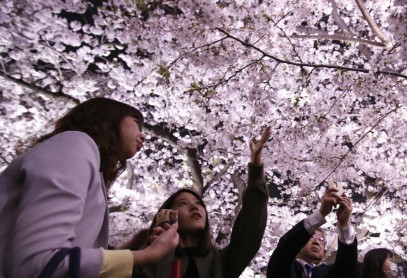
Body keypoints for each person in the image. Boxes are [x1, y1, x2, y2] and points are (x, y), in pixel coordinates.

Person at [0, 97, 179, 278]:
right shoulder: (74, 144)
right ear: (107, 118)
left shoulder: (84, 160)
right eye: (136, 123)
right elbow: (39, 264)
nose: (143, 136)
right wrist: (147, 255)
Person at [130, 127, 271, 278]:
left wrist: (256, 168)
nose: (194, 207)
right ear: (167, 213)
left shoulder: (220, 262)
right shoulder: (142, 257)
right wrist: (161, 235)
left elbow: (251, 228)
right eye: (183, 203)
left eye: (198, 203)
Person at [267, 186, 358, 278]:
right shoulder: (287, 266)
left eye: (321, 239)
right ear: (301, 241)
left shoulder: (328, 273)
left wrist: (344, 224)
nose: (316, 241)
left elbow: (346, 268)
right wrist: (321, 213)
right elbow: (284, 249)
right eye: (311, 237)